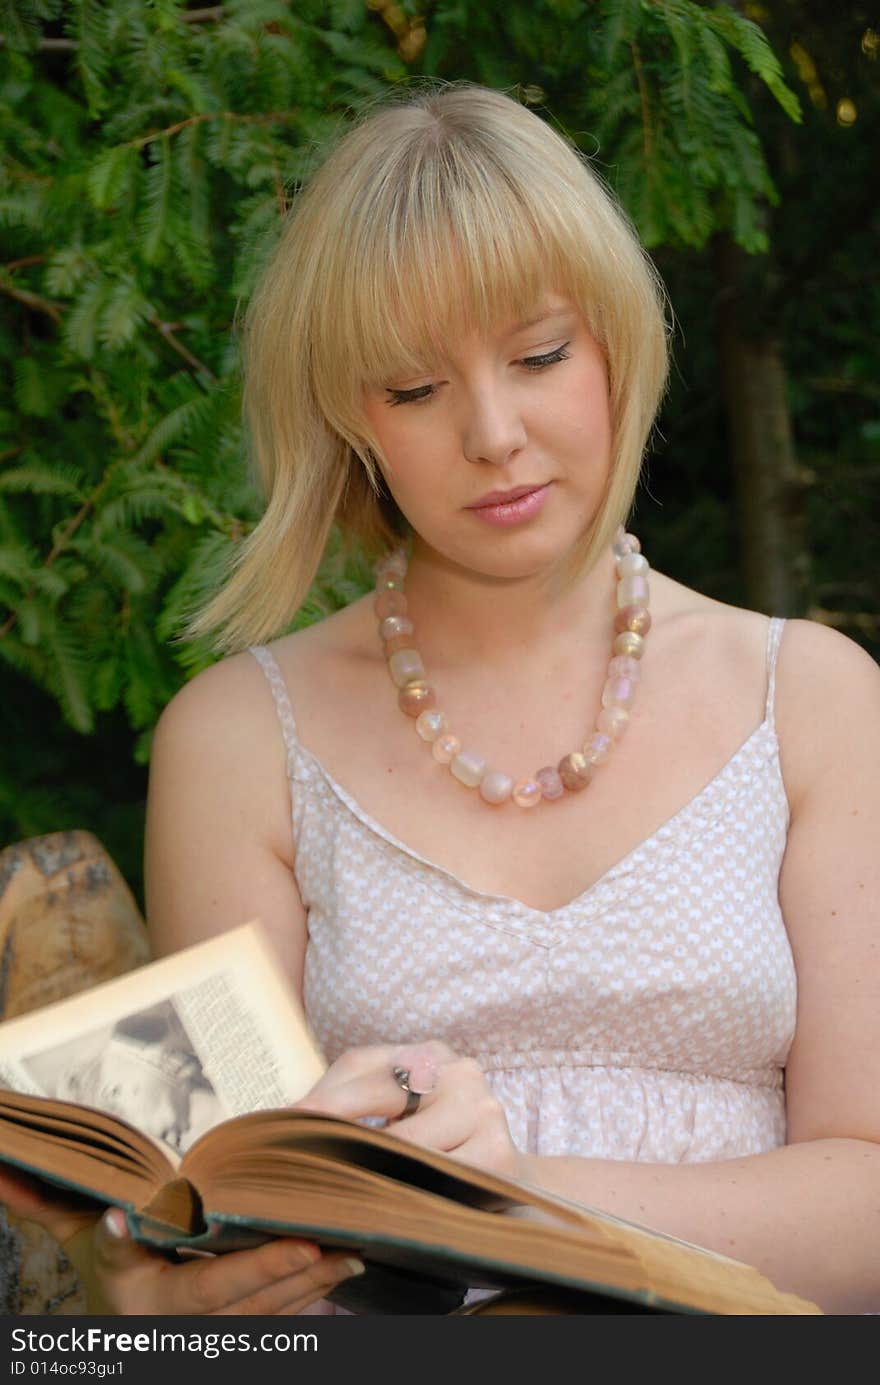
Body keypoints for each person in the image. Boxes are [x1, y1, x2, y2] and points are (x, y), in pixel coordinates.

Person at [1, 82, 878, 1316]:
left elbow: (871, 1204)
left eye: (537, 354)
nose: (493, 431)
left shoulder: (816, 697)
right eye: (411, 389)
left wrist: (507, 1199)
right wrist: (158, 1284)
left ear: (619, 339)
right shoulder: (240, 735)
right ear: (343, 420)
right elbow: (231, 1205)